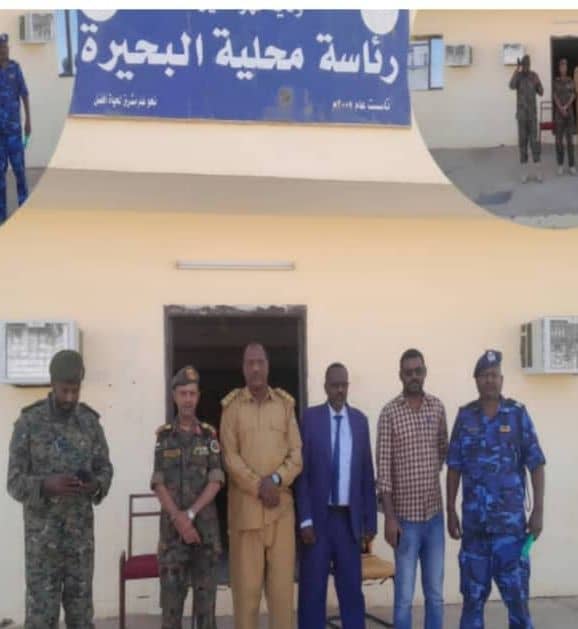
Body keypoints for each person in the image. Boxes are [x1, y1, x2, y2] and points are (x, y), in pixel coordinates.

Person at [7, 350, 113, 629]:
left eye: (75, 390)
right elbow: (14, 482)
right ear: (52, 384)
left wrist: (95, 484)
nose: (70, 397)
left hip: (80, 545)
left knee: (81, 619)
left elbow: (105, 469)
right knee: (41, 620)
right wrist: (45, 485)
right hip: (42, 547)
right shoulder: (29, 423)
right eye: (65, 390)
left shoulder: (89, 423)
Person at [447, 350, 546, 629]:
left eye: (494, 375)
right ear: (476, 380)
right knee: (472, 605)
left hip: (510, 532)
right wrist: (450, 510)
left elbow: (536, 464)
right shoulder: (465, 417)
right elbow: (454, 466)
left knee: (518, 606)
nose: (490, 380)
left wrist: (538, 511)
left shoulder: (517, 415)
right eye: (484, 375)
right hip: (475, 533)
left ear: (501, 379)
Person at [220, 342, 302, 629]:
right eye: (250, 363)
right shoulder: (231, 409)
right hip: (247, 513)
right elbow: (230, 458)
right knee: (247, 597)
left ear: (268, 366)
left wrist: (276, 480)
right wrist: (260, 486)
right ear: (243, 368)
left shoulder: (285, 406)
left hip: (281, 512)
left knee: (282, 596)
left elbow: (296, 455)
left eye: (260, 362)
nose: (255, 368)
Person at [295, 362, 377, 629]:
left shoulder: (360, 422)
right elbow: (302, 474)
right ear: (325, 387)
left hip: (348, 522)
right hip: (318, 521)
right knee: (312, 591)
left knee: (351, 591)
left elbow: (366, 474)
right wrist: (305, 519)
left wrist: (369, 523)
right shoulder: (310, 419)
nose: (340, 390)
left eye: (344, 385)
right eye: (335, 385)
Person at [376, 349, 448, 629]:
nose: (414, 376)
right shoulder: (389, 413)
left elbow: (443, 450)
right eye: (408, 372)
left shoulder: (437, 408)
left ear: (425, 372)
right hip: (404, 522)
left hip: (434, 518)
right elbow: (384, 470)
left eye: (418, 371)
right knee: (404, 598)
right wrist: (390, 518)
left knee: (436, 595)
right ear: (400, 376)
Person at [151, 365, 225, 629]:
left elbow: (216, 480)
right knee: (171, 612)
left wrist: (190, 515)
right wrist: (179, 520)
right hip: (172, 538)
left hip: (204, 534)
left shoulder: (208, 435)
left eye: (192, 394)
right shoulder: (163, 437)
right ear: (174, 396)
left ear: (198, 396)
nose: (187, 399)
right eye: (183, 393)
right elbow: (158, 482)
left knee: (206, 613)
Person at [0, 33, 30, 223]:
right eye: (2, 48)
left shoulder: (15, 68)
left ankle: (24, 211)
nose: (5, 50)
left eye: (6, 47)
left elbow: (24, 94)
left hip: (14, 132)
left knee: (20, 172)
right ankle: (2, 215)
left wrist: (28, 121)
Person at [509, 55, 544, 183]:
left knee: (534, 143)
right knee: (522, 143)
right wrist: (516, 70)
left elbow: (541, 92)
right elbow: (511, 85)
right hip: (522, 117)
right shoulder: (518, 77)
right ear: (521, 65)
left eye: (527, 64)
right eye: (524, 64)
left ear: (530, 65)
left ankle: (538, 171)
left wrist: (538, 85)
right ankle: (524, 172)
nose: (526, 67)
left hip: (532, 117)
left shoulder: (534, 76)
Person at [553, 57, 576, 176]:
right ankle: (560, 165)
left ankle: (571, 165)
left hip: (569, 114)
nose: (563, 68)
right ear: (559, 68)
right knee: (558, 141)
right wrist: (561, 108)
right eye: (561, 66)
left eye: (565, 66)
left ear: (567, 68)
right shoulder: (556, 81)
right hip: (559, 115)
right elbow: (555, 96)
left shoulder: (571, 80)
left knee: (570, 141)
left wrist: (566, 106)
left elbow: (573, 95)